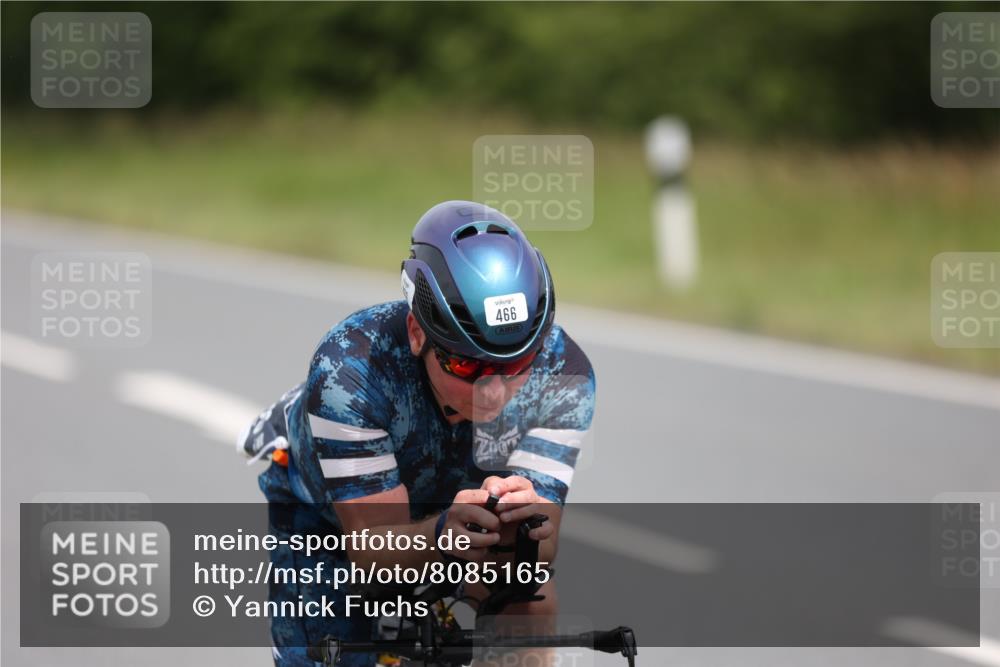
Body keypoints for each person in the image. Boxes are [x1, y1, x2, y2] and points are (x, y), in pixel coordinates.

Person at [239, 200, 595, 666]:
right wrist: (444, 534)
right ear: (416, 331)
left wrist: (520, 529)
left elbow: (538, 555)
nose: (493, 392)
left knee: (530, 603)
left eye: (515, 367)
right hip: (332, 519)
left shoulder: (563, 374)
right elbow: (373, 555)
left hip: (454, 509)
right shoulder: (350, 369)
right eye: (467, 365)